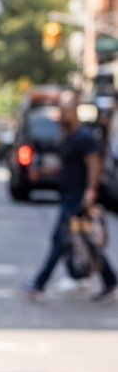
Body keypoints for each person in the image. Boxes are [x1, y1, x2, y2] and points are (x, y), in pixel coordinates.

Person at [22, 90, 117, 303]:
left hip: (78, 198)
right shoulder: (68, 137)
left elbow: (94, 165)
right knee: (85, 241)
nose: (62, 115)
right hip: (68, 196)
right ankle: (108, 280)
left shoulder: (84, 138)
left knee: (62, 239)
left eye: (65, 111)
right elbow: (65, 167)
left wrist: (90, 192)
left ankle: (39, 283)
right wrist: (43, 172)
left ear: (73, 112)